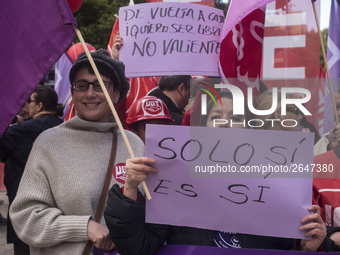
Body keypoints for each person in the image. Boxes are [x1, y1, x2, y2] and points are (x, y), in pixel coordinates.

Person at [104, 90, 334, 254]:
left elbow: (287, 245)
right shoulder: (176, 182)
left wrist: (306, 246)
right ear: (202, 127)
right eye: (216, 117)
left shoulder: (275, 182)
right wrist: (131, 188)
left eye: (235, 118)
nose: (225, 123)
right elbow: (138, 246)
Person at [9, 49, 144, 254]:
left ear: (116, 93)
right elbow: (25, 218)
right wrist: (84, 227)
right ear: (73, 93)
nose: (90, 93)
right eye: (82, 86)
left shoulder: (133, 144)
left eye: (100, 85)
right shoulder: (49, 143)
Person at [0, 86, 64, 254]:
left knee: (24, 244)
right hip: (58, 196)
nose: (26, 105)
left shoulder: (21, 130)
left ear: (39, 105)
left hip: (24, 197)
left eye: (30, 101)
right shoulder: (64, 126)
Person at [314, 88, 340, 155]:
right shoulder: (325, 140)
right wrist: (330, 148)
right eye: (337, 107)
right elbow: (314, 163)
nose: (339, 113)